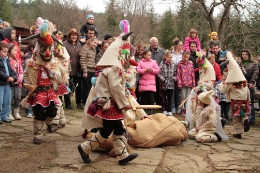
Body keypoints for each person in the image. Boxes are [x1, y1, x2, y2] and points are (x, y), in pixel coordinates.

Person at [77, 31, 139, 166]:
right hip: (110, 103)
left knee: (118, 129)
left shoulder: (111, 68)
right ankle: (85, 148)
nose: (127, 59)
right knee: (106, 131)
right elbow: (116, 88)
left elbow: (118, 87)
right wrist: (124, 104)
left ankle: (122, 155)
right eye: (126, 55)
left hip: (111, 102)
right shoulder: (114, 69)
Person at [22, 20, 67, 144]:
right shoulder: (31, 63)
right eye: (43, 48)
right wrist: (28, 86)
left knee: (53, 111)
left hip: (50, 91)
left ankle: (48, 123)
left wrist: (50, 70)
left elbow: (59, 77)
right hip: (37, 93)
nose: (46, 52)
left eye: (48, 48)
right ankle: (37, 135)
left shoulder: (54, 63)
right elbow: (25, 76)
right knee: (39, 114)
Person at [217, 51, 251, 139]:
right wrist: (249, 100)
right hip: (243, 100)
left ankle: (238, 132)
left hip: (235, 101)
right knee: (242, 114)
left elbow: (223, 89)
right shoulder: (244, 83)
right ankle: (246, 120)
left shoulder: (231, 83)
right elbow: (247, 91)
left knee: (236, 117)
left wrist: (221, 83)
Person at [63, 28, 84, 109]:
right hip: (68, 69)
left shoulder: (79, 44)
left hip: (77, 69)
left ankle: (79, 103)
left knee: (78, 87)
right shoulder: (64, 44)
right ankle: (68, 103)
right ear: (69, 36)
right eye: (72, 35)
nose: (74, 36)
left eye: (75, 35)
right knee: (67, 86)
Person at [239, 49, 258, 125]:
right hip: (241, 85)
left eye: (245, 54)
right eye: (243, 54)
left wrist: (252, 82)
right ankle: (244, 119)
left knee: (250, 102)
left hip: (250, 84)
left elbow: (255, 73)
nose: (244, 56)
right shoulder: (240, 63)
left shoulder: (254, 63)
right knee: (242, 102)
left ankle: (252, 119)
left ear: (249, 55)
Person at [137, 50, 160, 115]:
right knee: (144, 97)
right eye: (148, 55)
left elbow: (157, 70)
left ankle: (152, 109)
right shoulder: (140, 62)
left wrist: (151, 70)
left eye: (150, 55)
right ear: (144, 55)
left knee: (151, 97)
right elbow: (138, 69)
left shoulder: (153, 62)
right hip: (143, 84)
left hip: (151, 84)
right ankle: (145, 109)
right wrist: (144, 70)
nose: (150, 56)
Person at [0, 42, 17, 124]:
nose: (6, 53)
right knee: (0, 100)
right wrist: (7, 78)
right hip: (1, 83)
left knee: (7, 100)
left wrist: (14, 77)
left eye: (6, 52)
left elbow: (12, 70)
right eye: (4, 51)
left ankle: (5, 116)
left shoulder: (7, 60)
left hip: (7, 84)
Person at [80, 37, 98, 104]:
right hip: (87, 70)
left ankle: (90, 101)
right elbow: (82, 60)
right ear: (90, 42)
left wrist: (95, 65)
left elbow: (93, 60)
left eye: (96, 43)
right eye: (94, 42)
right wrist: (85, 71)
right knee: (86, 87)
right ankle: (84, 101)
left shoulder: (94, 50)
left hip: (92, 70)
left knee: (92, 86)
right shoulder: (85, 49)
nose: (95, 44)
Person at [177, 50, 195, 116]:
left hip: (189, 83)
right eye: (184, 57)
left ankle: (187, 110)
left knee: (188, 97)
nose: (186, 58)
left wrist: (193, 83)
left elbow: (192, 74)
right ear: (182, 57)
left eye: (187, 57)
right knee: (183, 97)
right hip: (183, 83)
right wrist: (179, 83)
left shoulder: (190, 64)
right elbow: (178, 74)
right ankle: (182, 110)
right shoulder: (180, 64)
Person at [148, 37, 165, 106]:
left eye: (156, 42)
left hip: (159, 73)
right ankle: (150, 104)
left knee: (159, 89)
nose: (155, 44)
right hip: (149, 74)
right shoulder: (146, 50)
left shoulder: (162, 51)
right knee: (150, 89)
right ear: (150, 43)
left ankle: (158, 103)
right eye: (153, 42)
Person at [8, 44, 23, 120]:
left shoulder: (18, 61)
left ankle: (16, 112)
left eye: (16, 50)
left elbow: (20, 72)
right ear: (9, 51)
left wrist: (19, 80)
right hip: (9, 83)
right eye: (14, 50)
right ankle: (9, 112)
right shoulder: (7, 61)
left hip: (17, 83)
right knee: (10, 98)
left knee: (17, 97)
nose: (16, 52)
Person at [158, 51, 176, 116]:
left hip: (171, 84)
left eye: (171, 57)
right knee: (164, 97)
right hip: (164, 84)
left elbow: (175, 73)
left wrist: (174, 78)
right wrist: (164, 79)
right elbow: (159, 73)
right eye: (169, 57)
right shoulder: (162, 64)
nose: (170, 58)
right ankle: (164, 109)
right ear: (166, 57)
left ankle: (169, 110)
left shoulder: (173, 64)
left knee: (170, 97)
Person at [22, 40, 37, 118]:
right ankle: (29, 111)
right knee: (30, 96)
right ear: (32, 48)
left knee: (36, 97)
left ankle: (36, 110)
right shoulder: (28, 60)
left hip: (37, 83)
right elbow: (25, 73)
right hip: (30, 82)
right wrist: (27, 83)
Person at [171, 38, 183, 114]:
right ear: (175, 46)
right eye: (179, 45)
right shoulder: (171, 54)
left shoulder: (183, 54)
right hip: (171, 74)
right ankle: (172, 107)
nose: (181, 46)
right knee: (172, 91)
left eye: (182, 45)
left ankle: (179, 107)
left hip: (181, 75)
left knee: (179, 92)